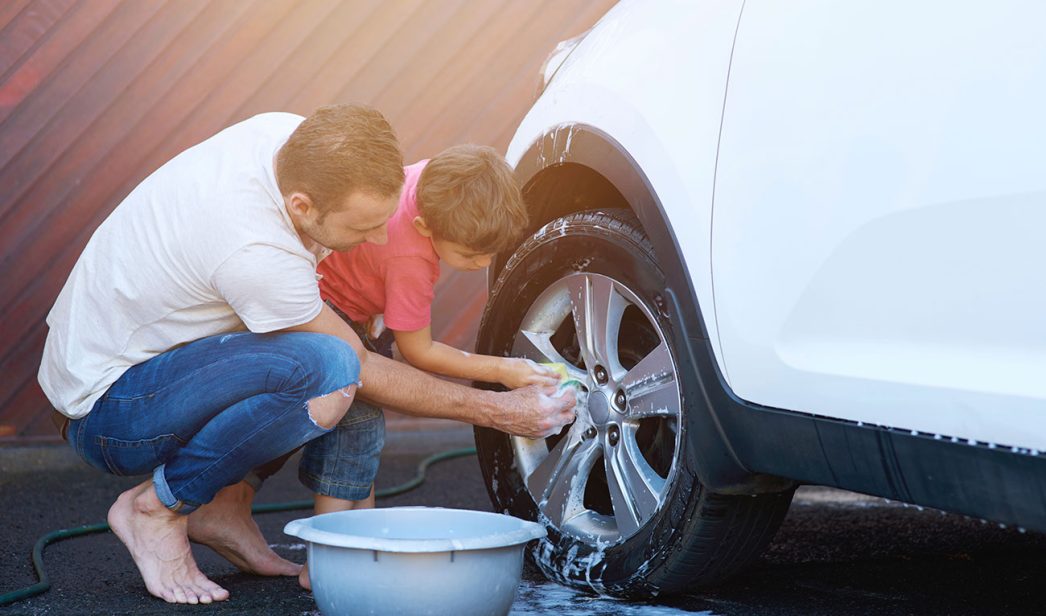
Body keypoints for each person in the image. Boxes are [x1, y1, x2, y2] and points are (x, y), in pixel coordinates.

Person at [37, 104, 575, 605]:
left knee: (332, 375)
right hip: (111, 412)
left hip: (132, 362)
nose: (373, 239)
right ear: (302, 206)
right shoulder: (257, 253)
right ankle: (158, 507)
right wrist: (497, 409)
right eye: (363, 229)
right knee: (331, 370)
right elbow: (359, 368)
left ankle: (226, 507)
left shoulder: (288, 139)